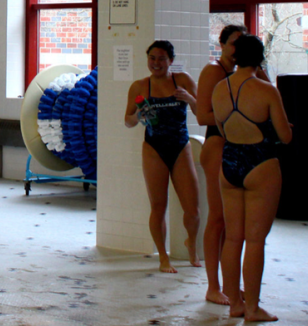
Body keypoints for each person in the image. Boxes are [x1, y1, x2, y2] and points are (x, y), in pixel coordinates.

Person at [212, 35, 292, 322]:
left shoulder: (220, 89)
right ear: (260, 58)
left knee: (233, 238)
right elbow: (285, 136)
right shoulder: (266, 90)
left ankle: (234, 303)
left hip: (229, 164)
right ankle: (253, 308)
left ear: (234, 56)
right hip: (261, 164)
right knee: (255, 241)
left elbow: (223, 130)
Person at [195, 24, 267, 304]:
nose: (237, 48)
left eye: (242, 43)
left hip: (241, 148)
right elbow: (203, 115)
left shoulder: (250, 72)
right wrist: (240, 114)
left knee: (237, 225)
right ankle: (214, 286)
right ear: (222, 44)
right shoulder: (214, 71)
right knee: (219, 218)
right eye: (234, 43)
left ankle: (232, 287)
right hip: (218, 145)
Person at [124, 40, 202, 273]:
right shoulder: (139, 86)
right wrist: (138, 114)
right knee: (158, 206)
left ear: (171, 61)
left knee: (193, 209)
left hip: (180, 146)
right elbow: (127, 121)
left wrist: (189, 98)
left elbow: (202, 113)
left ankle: (191, 244)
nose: (156, 63)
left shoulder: (184, 80)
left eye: (161, 59)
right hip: (153, 148)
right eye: (152, 58)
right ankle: (163, 258)